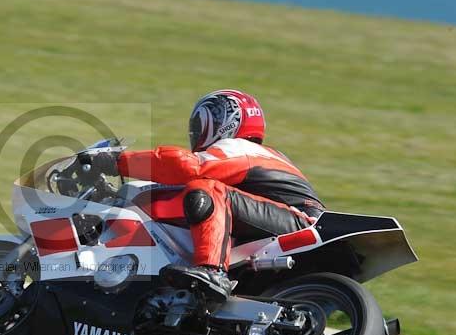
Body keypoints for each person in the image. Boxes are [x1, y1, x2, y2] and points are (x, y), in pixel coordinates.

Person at [95, 89, 325, 301]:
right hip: (290, 224)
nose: (195, 134)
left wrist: (117, 162)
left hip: (298, 223)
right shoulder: (264, 155)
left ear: (224, 121)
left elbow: (187, 167)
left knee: (207, 190)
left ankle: (212, 271)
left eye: (199, 126)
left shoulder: (239, 147)